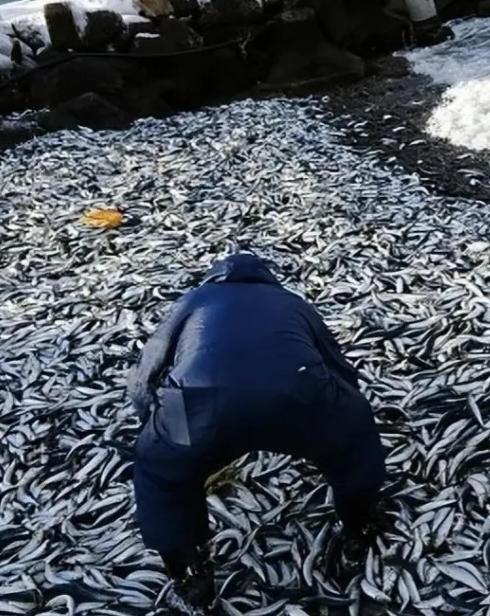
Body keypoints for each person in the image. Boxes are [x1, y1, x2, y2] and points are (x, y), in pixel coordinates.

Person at [126, 252, 387, 616]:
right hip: (299, 394)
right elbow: (337, 365)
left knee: (161, 473)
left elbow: (146, 373)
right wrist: (345, 415)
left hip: (200, 402)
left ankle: (191, 578)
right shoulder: (291, 301)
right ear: (268, 279)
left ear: (214, 279)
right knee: (354, 445)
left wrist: (154, 427)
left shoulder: (193, 300)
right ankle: (356, 535)